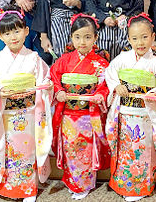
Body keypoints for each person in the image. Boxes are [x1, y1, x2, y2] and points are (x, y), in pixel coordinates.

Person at [0, 3, 53, 202]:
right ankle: (7, 187)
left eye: (18, 31)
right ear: (0, 36)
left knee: (26, 149)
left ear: (26, 30)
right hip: (5, 114)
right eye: (8, 33)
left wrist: (44, 87)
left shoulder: (34, 58)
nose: (14, 37)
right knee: (7, 149)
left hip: (28, 113)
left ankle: (28, 188)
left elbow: (46, 80)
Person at [104, 13, 156, 201]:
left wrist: (155, 95)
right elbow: (109, 74)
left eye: (144, 37)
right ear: (128, 39)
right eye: (134, 38)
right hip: (126, 113)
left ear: (153, 37)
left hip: (145, 114)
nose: (140, 42)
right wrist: (116, 86)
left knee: (144, 151)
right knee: (125, 150)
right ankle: (123, 185)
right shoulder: (122, 59)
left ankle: (142, 187)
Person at [50, 14, 111, 200]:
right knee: (71, 148)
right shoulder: (64, 60)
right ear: (71, 37)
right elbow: (53, 77)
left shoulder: (101, 64)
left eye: (87, 37)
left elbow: (106, 84)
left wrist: (101, 93)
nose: (82, 42)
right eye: (77, 37)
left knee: (85, 149)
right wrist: (59, 90)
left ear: (95, 38)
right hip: (69, 113)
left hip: (88, 115)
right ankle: (72, 181)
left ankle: (85, 183)